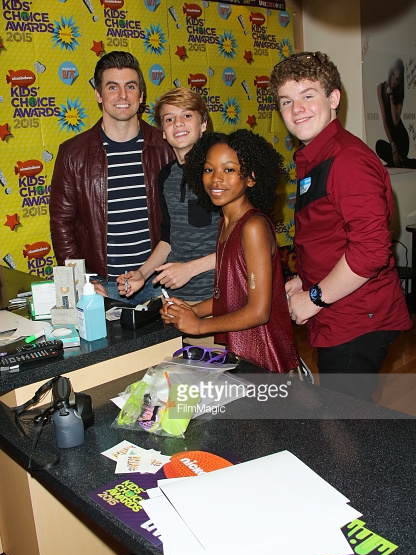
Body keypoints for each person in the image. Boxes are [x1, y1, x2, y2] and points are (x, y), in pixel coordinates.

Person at [269, 51, 412, 399]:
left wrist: (314, 297)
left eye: (308, 95)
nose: (297, 108)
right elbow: (331, 236)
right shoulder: (316, 155)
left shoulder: (347, 160)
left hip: (357, 317)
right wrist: (306, 279)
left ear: (333, 98)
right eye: (287, 101)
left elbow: (371, 251)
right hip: (340, 313)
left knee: (346, 429)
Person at [160, 130, 301, 374]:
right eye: (208, 169)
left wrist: (198, 326)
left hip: (264, 360)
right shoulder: (226, 223)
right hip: (241, 356)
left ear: (251, 177)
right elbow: (231, 299)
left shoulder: (253, 226)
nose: (216, 179)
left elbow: (258, 311)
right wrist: (191, 311)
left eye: (228, 170)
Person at [49, 51, 174, 305]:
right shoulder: (73, 153)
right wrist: (81, 281)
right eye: (112, 87)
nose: (123, 96)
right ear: (98, 94)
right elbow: (61, 224)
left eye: (130, 86)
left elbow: (180, 221)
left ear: (141, 95)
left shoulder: (166, 147)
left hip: (158, 280)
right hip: (100, 286)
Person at [116, 87, 220, 302]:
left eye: (187, 115)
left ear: (203, 125)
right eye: (169, 119)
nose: (178, 123)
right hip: (175, 299)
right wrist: (142, 274)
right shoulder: (166, 176)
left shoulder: (221, 173)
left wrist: (190, 269)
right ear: (163, 131)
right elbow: (169, 238)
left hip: (218, 299)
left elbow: (246, 246)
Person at [376, 58, 416, 169]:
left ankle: (401, 160)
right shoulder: (380, 87)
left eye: (397, 79)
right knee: (379, 145)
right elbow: (385, 119)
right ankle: (405, 161)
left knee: (396, 158)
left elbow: (395, 120)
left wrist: (391, 96)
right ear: (390, 73)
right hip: (393, 140)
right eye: (393, 75)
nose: (394, 81)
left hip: (402, 139)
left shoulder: (399, 93)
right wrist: (393, 148)